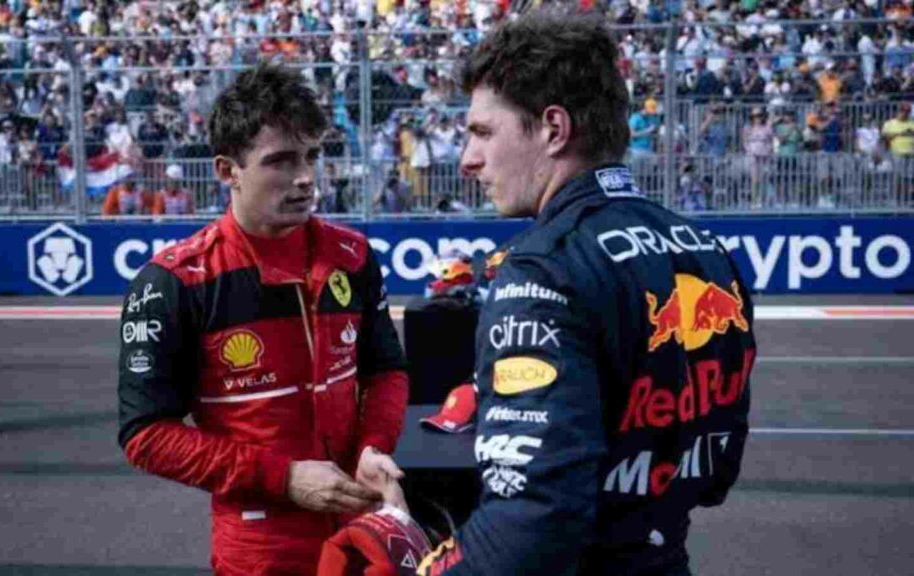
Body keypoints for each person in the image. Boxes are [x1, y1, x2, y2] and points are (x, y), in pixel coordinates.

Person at [418, 9, 755, 576]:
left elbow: (530, 523)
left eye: (481, 132)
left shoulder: (543, 271)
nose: (468, 159)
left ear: (553, 129)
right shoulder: (704, 249)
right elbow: (716, 473)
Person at [117, 62, 410, 576]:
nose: (304, 177)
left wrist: (373, 447)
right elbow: (146, 434)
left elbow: (386, 370)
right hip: (259, 550)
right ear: (227, 170)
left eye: (311, 156)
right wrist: (284, 477)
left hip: (360, 527)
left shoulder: (354, 255)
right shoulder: (174, 282)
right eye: (280, 160)